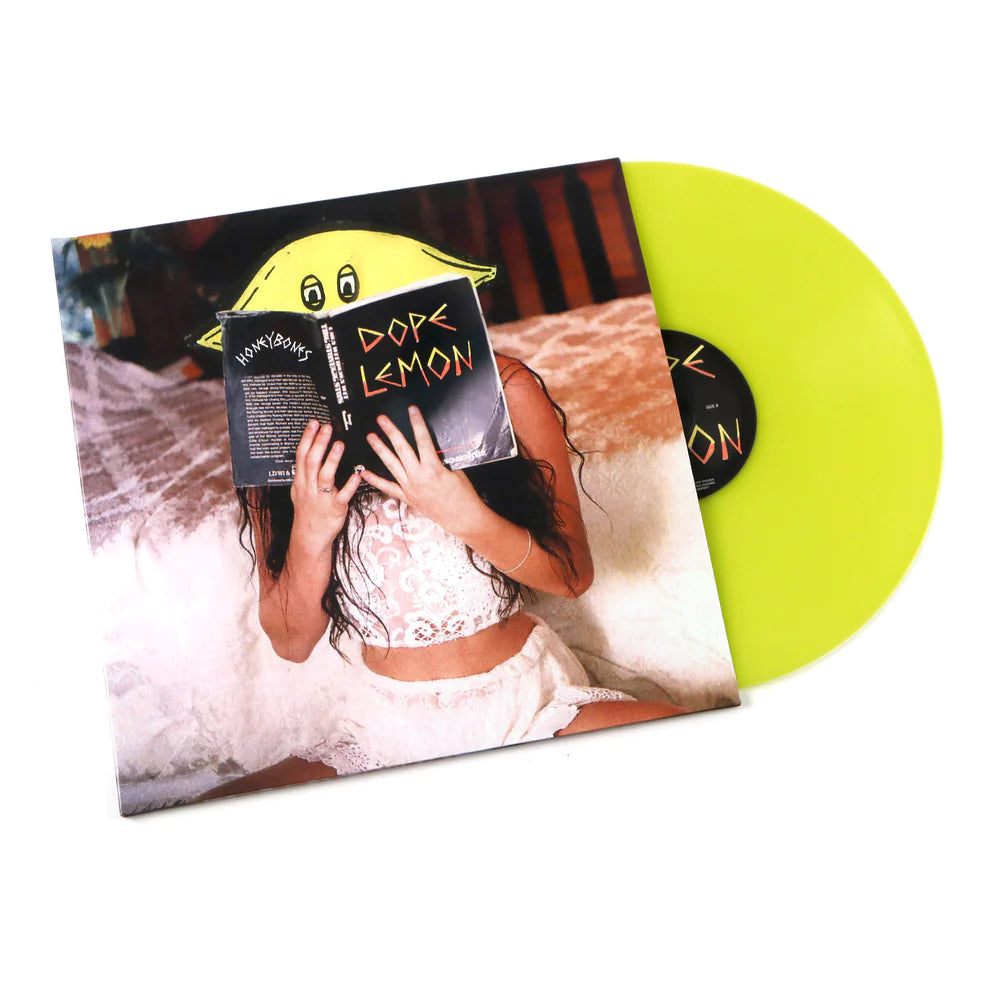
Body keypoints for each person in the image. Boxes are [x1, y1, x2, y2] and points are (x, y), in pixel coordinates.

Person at [198, 357, 686, 801]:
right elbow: (291, 642)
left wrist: (466, 515)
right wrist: (309, 536)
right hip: (386, 736)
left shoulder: (504, 385)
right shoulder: (277, 425)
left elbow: (572, 576)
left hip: (533, 711)